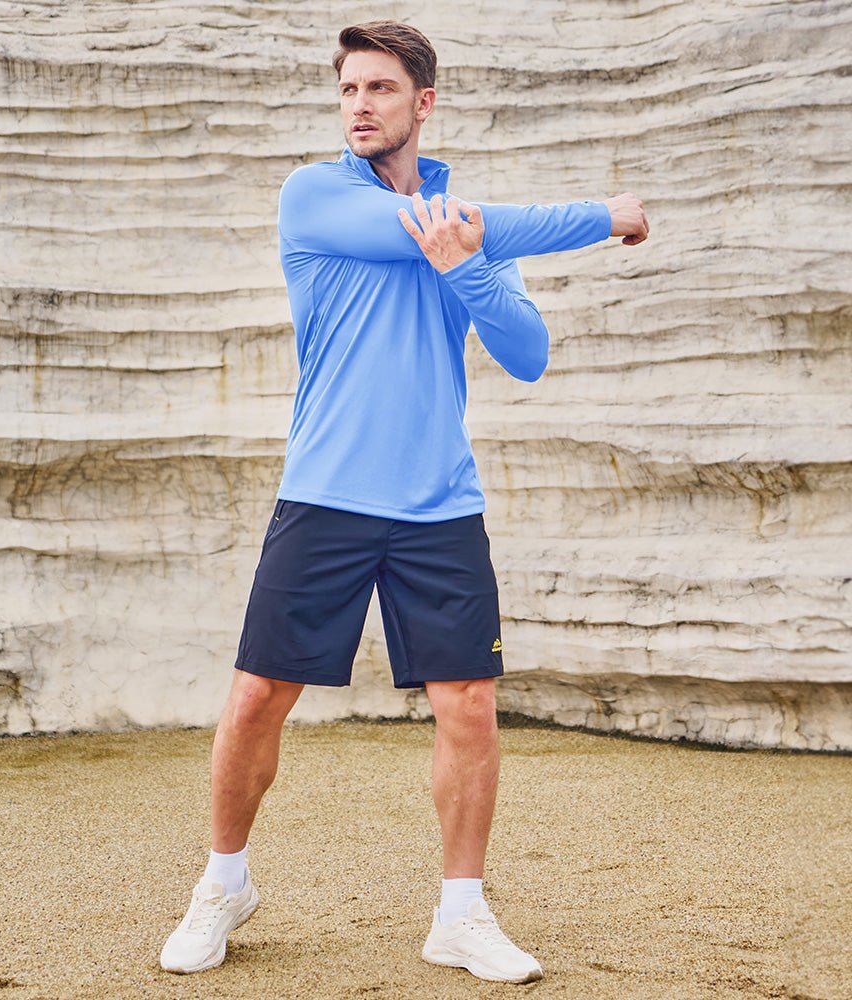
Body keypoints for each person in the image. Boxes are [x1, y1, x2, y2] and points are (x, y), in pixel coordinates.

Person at [160, 20, 648, 985]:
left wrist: (466, 266)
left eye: (380, 89)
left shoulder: (468, 231)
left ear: (423, 103)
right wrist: (609, 213)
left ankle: (460, 916)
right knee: (257, 697)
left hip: (439, 504)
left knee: (469, 707)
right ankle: (222, 886)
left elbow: (527, 354)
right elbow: (450, 225)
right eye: (349, 89)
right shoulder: (315, 197)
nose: (360, 106)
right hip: (326, 494)